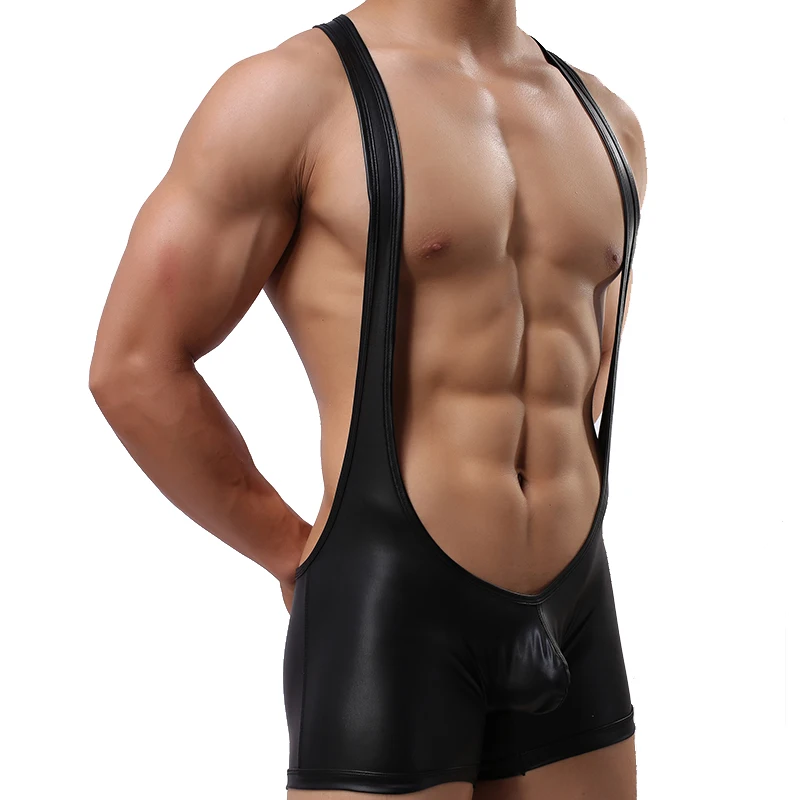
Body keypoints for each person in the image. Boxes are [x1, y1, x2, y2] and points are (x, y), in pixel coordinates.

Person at [89, 1, 647, 798]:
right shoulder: (292, 97)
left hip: (576, 602)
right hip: (391, 601)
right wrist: (289, 550)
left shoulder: (607, 121)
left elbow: (580, 368)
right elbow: (133, 364)